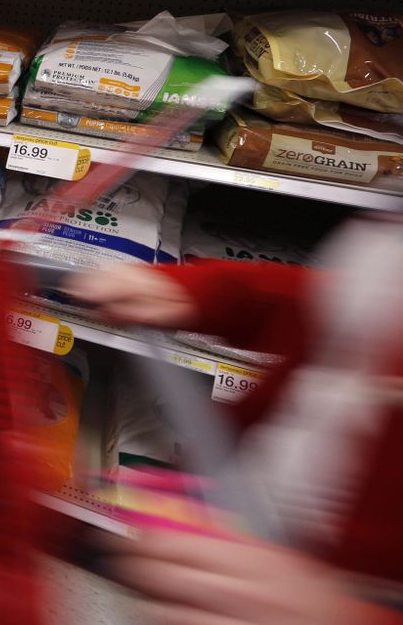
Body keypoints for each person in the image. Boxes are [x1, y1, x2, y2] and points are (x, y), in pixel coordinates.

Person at [67, 212, 403, 625]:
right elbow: (358, 305)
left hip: (311, 589)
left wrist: (350, 615)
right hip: (252, 524)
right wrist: (204, 291)